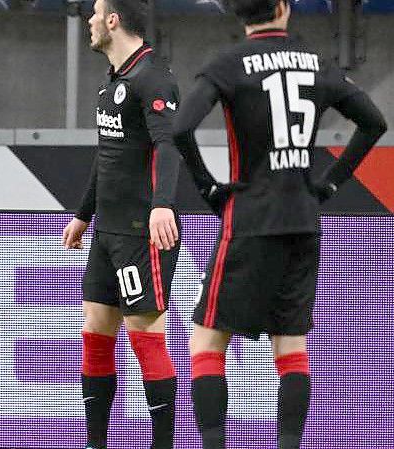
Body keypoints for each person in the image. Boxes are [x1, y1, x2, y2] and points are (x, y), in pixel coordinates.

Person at [171, 0, 387, 448]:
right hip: (303, 220)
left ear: (239, 14)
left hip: (249, 218)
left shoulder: (227, 64)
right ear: (284, 8)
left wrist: (209, 186)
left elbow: (180, 128)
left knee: (208, 341)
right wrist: (328, 185)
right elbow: (373, 122)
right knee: (290, 346)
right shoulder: (316, 62)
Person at [62, 1, 183, 448]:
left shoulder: (154, 75)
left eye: (95, 13)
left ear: (113, 20)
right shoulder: (115, 81)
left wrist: (162, 205)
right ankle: (95, 443)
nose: (89, 21)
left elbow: (168, 144)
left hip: (141, 230)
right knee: (94, 332)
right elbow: (107, 156)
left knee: (146, 335)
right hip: (106, 232)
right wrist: (82, 213)